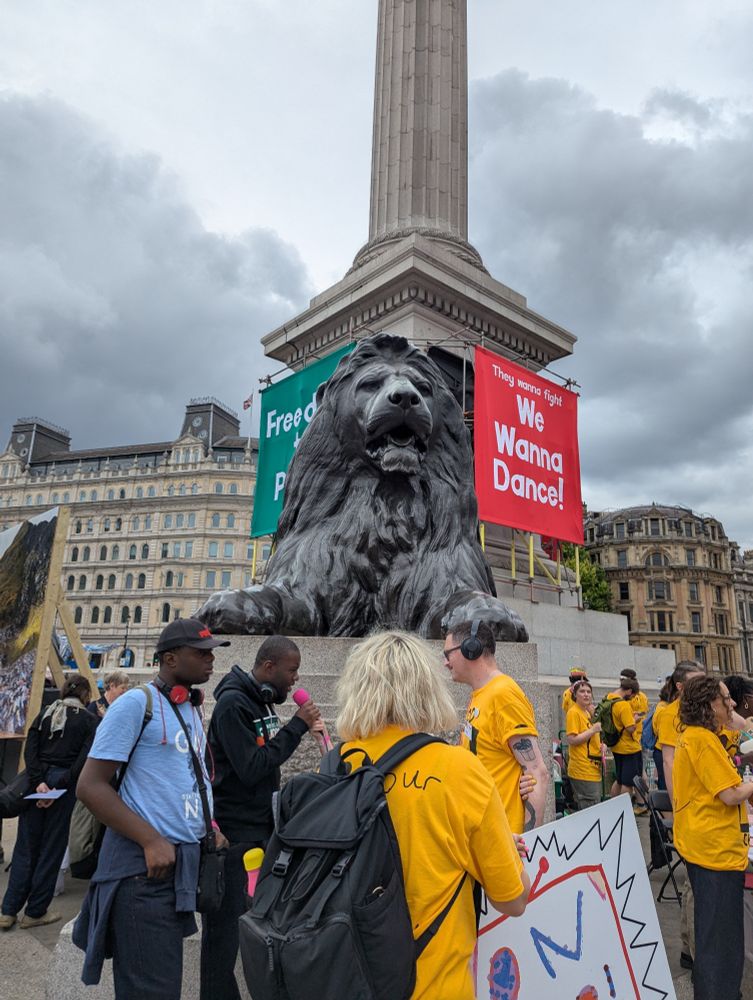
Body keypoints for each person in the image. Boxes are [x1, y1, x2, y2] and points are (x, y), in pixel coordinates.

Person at [337, 630, 530, 1000]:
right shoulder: (458, 770)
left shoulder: (338, 764)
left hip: (349, 980)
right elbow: (513, 899)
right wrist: (502, 849)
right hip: (433, 987)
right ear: (427, 690)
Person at [74, 619, 229, 1000]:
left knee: (162, 986)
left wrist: (207, 824)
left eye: (212, 652)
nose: (211, 660)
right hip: (142, 873)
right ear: (170, 658)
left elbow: (182, 775)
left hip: (177, 868)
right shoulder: (134, 704)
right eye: (201, 653)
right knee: (152, 990)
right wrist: (150, 838)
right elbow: (89, 786)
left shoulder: (188, 706)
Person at [200, 635, 323, 1000]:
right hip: (235, 838)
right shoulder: (233, 706)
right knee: (222, 937)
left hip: (260, 833)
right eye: (292, 670)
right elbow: (252, 767)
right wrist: (297, 727)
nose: (295, 679)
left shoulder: (263, 703)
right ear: (269, 667)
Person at [673, 675, 753, 1000]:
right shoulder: (702, 740)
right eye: (724, 699)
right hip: (714, 853)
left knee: (713, 937)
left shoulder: (697, 736)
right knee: (721, 943)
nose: (731, 703)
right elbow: (731, 794)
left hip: (706, 849)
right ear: (709, 705)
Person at [0, 673, 97, 931]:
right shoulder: (89, 721)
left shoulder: (45, 713)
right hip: (62, 787)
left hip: (36, 783)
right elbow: (83, 761)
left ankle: (8, 910)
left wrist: (39, 782)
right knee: (51, 851)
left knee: (25, 848)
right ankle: (35, 911)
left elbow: (30, 751)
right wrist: (57, 786)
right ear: (85, 695)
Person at [445, 620, 549, 833]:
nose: (445, 663)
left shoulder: (503, 695)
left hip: (505, 841)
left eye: (448, 654)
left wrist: (528, 842)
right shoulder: (482, 694)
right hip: (484, 835)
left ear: (470, 649)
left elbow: (537, 770)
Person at [654, 661, 705, 801]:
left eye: (704, 682)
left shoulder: (707, 708)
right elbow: (669, 761)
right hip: (688, 788)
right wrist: (676, 801)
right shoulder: (670, 714)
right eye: (696, 683)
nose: (702, 688)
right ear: (680, 687)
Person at [608, 677, 645, 814]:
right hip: (629, 748)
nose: (633, 698)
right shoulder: (623, 705)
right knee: (628, 783)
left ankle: (613, 808)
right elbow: (630, 728)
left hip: (616, 747)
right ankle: (623, 812)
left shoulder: (609, 698)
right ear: (628, 691)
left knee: (619, 780)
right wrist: (634, 719)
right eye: (633, 695)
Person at [564, 680, 602, 810]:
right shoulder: (573, 712)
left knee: (594, 805)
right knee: (590, 808)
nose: (586, 694)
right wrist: (592, 730)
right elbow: (572, 739)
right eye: (582, 691)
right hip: (582, 770)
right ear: (575, 695)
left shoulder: (587, 712)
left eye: (588, 692)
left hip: (593, 768)